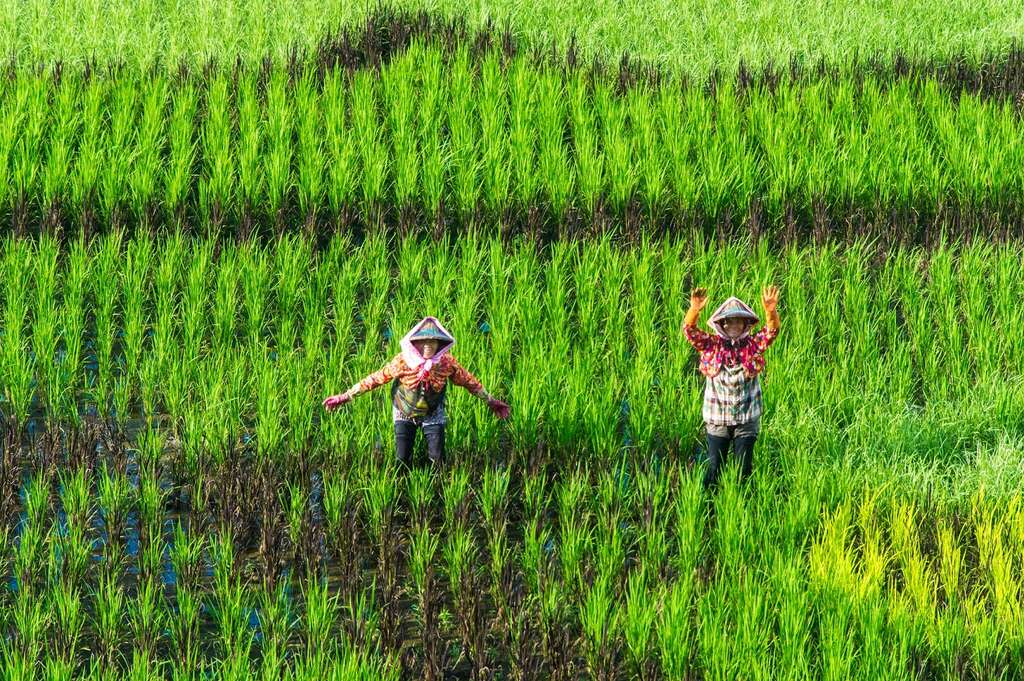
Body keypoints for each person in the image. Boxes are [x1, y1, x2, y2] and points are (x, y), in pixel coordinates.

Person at [322, 316, 511, 468]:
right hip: (404, 411)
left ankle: (436, 492)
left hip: (432, 413)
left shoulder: (446, 363)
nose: (428, 346)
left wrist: (490, 400)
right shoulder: (403, 361)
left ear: (440, 344)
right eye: (423, 342)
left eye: (433, 342)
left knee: (437, 460)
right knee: (402, 459)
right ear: (415, 344)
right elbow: (375, 379)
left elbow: (470, 382)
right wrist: (345, 396)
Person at [682, 285, 780, 490]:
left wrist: (770, 311)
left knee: (743, 471)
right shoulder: (711, 345)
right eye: (729, 321)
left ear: (746, 324)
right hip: (718, 418)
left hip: (746, 419)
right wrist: (695, 310)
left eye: (738, 320)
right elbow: (689, 331)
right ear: (722, 324)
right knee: (714, 470)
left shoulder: (753, 345)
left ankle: (741, 508)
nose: (734, 324)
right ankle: (709, 509)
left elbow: (772, 331)